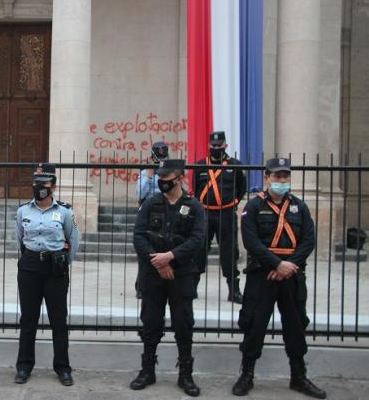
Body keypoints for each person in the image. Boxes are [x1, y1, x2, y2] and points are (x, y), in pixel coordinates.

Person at [232, 158, 326, 398]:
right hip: (262, 275)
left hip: (291, 275)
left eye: (285, 177)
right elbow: (250, 241)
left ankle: (299, 376)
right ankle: (247, 375)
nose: (281, 181)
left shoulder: (299, 207)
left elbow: (308, 240)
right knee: (254, 325)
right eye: (277, 176)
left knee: (295, 327)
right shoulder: (253, 207)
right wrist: (276, 264)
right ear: (266, 178)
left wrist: (289, 265)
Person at [131, 159, 205, 397]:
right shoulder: (151, 203)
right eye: (160, 180)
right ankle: (147, 370)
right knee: (151, 323)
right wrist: (158, 261)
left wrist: (171, 257)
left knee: (183, 325)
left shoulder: (194, 206)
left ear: (180, 179)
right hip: (154, 274)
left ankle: (185, 374)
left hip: (182, 274)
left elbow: (198, 239)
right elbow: (139, 236)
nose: (162, 184)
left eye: (167, 180)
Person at [14, 163, 80, 386]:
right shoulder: (23, 211)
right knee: (28, 319)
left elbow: (73, 239)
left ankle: (62, 368)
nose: (38, 187)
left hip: (55, 268)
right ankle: (24, 366)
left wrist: (63, 264)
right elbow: (20, 239)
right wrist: (30, 258)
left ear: (53, 186)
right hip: (30, 266)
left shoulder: (64, 211)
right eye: (36, 182)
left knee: (58, 320)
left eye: (43, 183)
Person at [192, 131, 246, 303]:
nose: (216, 148)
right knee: (199, 250)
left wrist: (234, 201)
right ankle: (192, 287)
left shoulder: (235, 165)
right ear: (209, 146)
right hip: (205, 213)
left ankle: (234, 290)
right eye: (213, 146)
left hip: (226, 213)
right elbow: (195, 188)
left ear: (225, 146)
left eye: (219, 146)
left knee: (229, 252)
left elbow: (241, 187)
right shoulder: (200, 165)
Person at [136, 141, 169, 205]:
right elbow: (140, 195)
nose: (161, 162)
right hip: (150, 205)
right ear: (152, 158)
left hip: (167, 205)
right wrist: (148, 177)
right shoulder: (145, 172)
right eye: (158, 160)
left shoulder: (171, 171)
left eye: (163, 159)